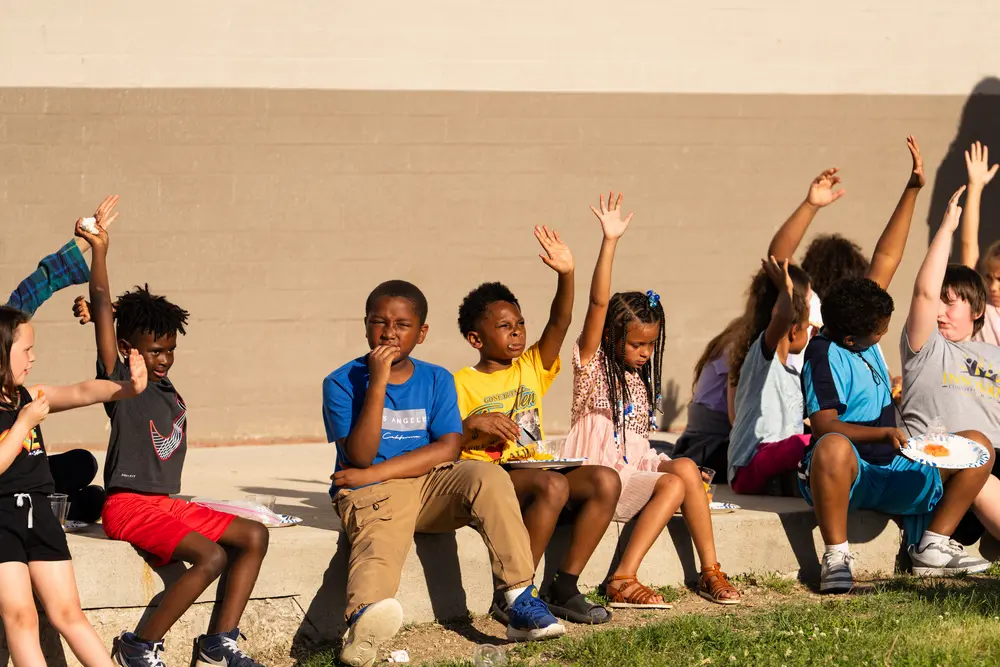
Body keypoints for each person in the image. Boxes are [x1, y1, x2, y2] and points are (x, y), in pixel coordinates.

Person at [325, 281, 564, 667]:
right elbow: (360, 455)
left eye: (402, 324)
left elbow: (448, 448)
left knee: (487, 476)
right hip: (375, 492)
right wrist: (378, 382)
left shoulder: (436, 379)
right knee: (380, 539)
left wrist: (373, 473)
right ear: (366, 325)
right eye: (379, 322)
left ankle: (519, 599)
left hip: (426, 484)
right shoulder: (341, 382)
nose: (389, 333)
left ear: (421, 333)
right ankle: (364, 627)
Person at [76, 220, 270, 667]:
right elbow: (104, 308)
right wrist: (100, 250)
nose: (164, 359)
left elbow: (123, 319)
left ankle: (218, 644)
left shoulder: (166, 388)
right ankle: (138, 646)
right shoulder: (124, 383)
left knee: (253, 535)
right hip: (127, 506)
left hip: (164, 504)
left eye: (170, 349)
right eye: (155, 351)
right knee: (211, 557)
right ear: (128, 348)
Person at [797, 168, 992, 595]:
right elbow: (824, 426)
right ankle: (836, 556)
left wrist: (912, 189)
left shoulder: (858, 314)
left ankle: (933, 545)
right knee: (831, 446)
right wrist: (884, 433)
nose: (886, 332)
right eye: (880, 331)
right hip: (851, 473)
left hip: (894, 466)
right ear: (852, 339)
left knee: (978, 446)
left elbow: (887, 257)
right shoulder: (823, 353)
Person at [562, 192, 740, 607]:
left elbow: (637, 448)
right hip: (600, 477)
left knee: (686, 468)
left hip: (632, 469)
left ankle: (710, 570)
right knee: (675, 482)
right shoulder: (591, 366)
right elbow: (598, 303)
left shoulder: (638, 382)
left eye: (650, 345)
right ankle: (623, 577)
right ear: (610, 336)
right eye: (636, 344)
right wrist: (610, 241)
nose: (645, 353)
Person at [455, 225, 621, 625]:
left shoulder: (531, 365)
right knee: (553, 485)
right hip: (494, 478)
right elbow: (446, 439)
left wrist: (567, 274)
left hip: (534, 467)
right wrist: (476, 425)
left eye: (520, 323)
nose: (516, 332)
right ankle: (515, 595)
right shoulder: (459, 382)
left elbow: (560, 321)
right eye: (504, 326)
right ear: (476, 339)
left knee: (606, 480)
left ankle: (564, 586)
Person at [0, 305, 147, 667]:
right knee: (21, 617)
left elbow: (82, 391)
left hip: (40, 515)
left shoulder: (28, 397)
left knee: (68, 612)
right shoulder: (24, 412)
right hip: (2, 521)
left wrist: (127, 388)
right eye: (26, 350)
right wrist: (23, 425)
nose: (33, 358)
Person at [5, 195, 123, 523]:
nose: (31, 358)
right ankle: (51, 504)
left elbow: (32, 289)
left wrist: (86, 238)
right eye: (26, 351)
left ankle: (55, 501)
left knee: (82, 464)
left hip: (22, 470)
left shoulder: (4, 332)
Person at [901, 185, 1000, 546]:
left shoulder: (994, 354)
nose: (940, 312)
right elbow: (924, 293)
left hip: (995, 459)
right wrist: (946, 229)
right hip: (949, 468)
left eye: (951, 303)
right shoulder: (925, 348)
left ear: (977, 310)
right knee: (977, 457)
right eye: (937, 303)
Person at [727, 258, 812, 495]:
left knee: (824, 442)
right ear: (794, 330)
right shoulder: (762, 358)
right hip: (749, 464)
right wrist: (786, 290)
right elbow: (783, 317)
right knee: (802, 445)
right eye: (807, 327)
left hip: (780, 462)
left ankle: (790, 484)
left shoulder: (793, 375)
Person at [669, 317, 741, 480]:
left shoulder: (729, 341)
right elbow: (735, 419)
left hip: (697, 441)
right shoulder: (738, 349)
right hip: (710, 445)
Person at [958, 141, 1000, 345]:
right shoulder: (981, 303)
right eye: (989, 277)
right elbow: (968, 246)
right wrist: (975, 187)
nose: (993, 287)